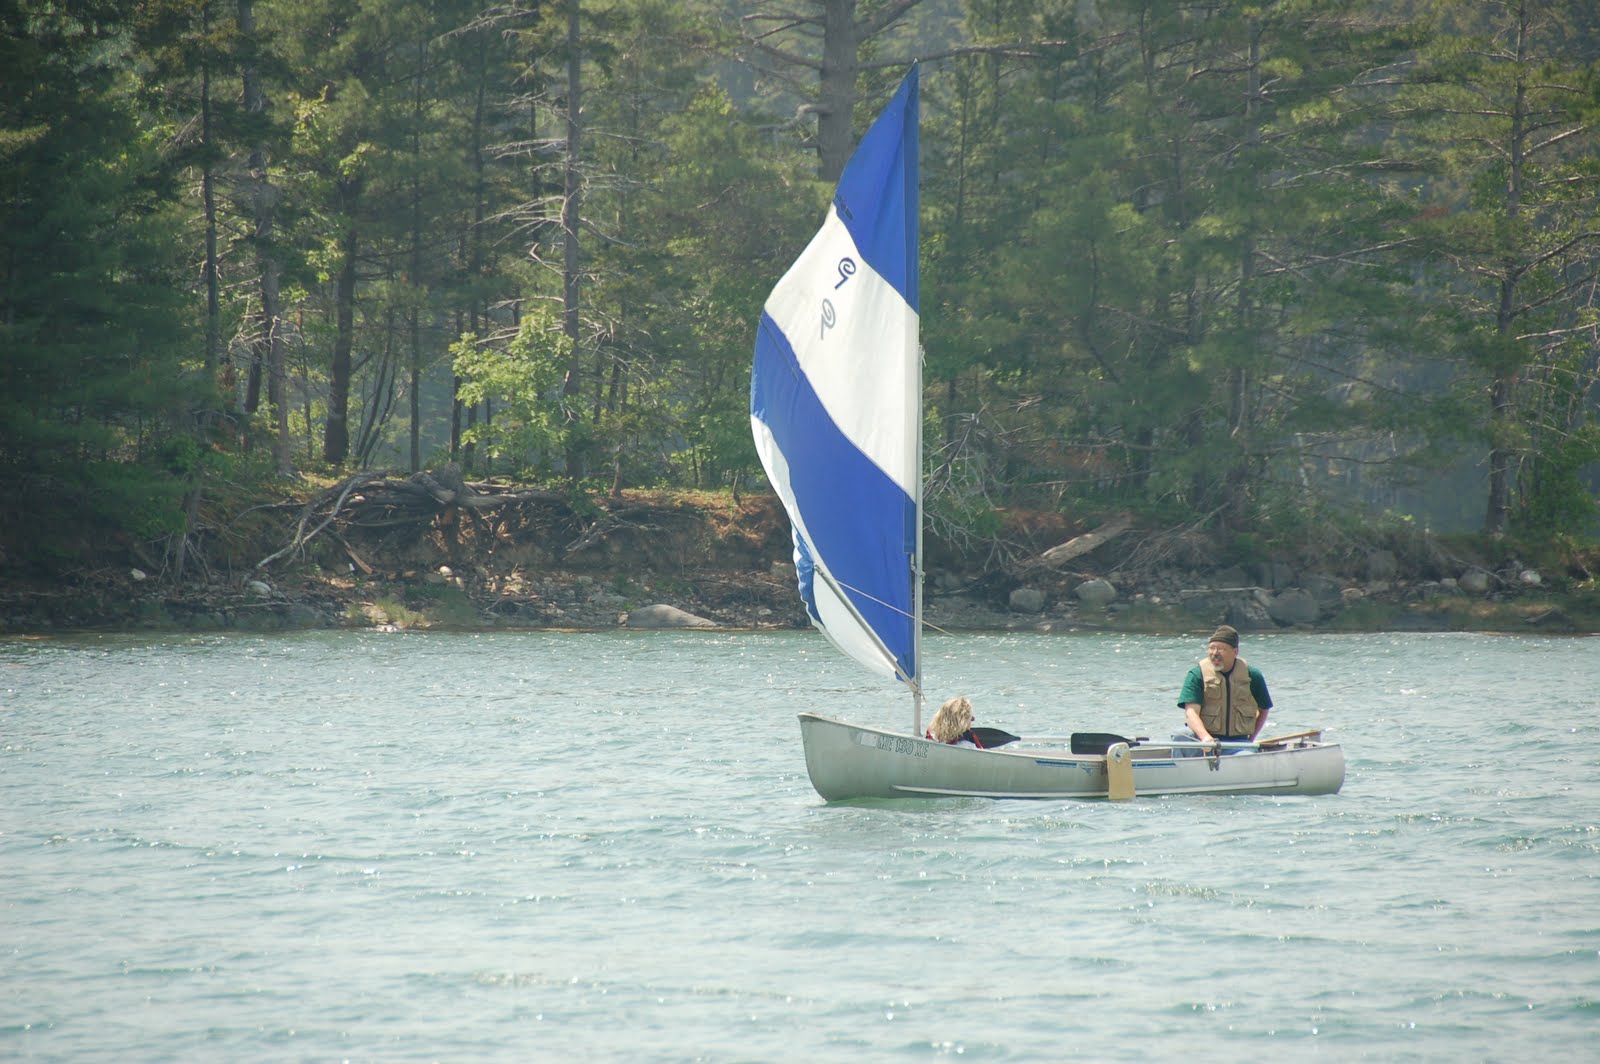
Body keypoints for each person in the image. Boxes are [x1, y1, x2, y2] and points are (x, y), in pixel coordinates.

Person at [1177, 625, 1272, 745]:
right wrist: (1205, 737)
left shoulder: (1253, 675)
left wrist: (1251, 739)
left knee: (1244, 756)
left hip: (1238, 742)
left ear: (1235, 652)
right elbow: (1191, 712)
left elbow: (1264, 709)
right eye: (1212, 648)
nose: (1215, 653)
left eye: (1221, 649)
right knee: (1180, 735)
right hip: (1204, 741)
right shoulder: (1197, 674)